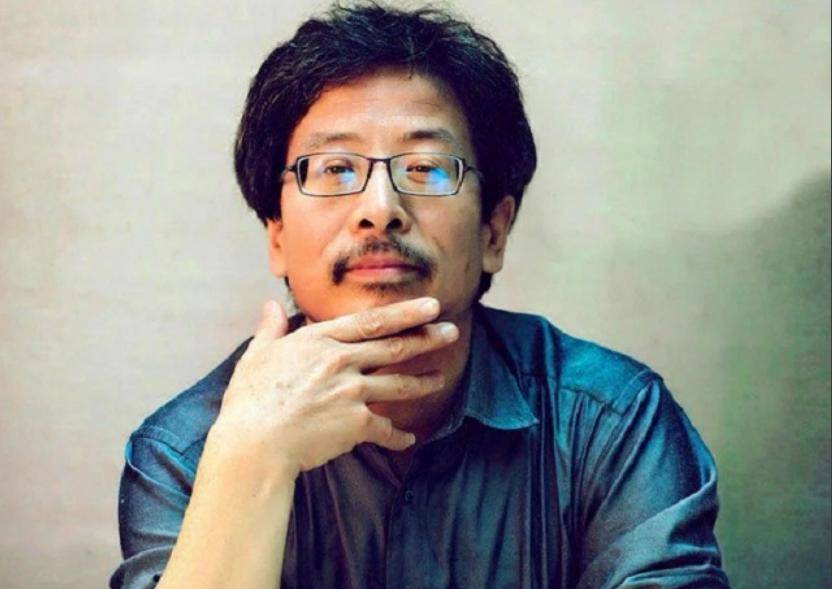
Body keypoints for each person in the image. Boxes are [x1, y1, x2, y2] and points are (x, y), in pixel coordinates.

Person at [110, 3, 730, 588]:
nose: (380, 210)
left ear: (493, 232)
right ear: (277, 237)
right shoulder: (186, 450)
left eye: (426, 169)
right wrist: (252, 459)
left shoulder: (609, 422)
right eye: (335, 169)